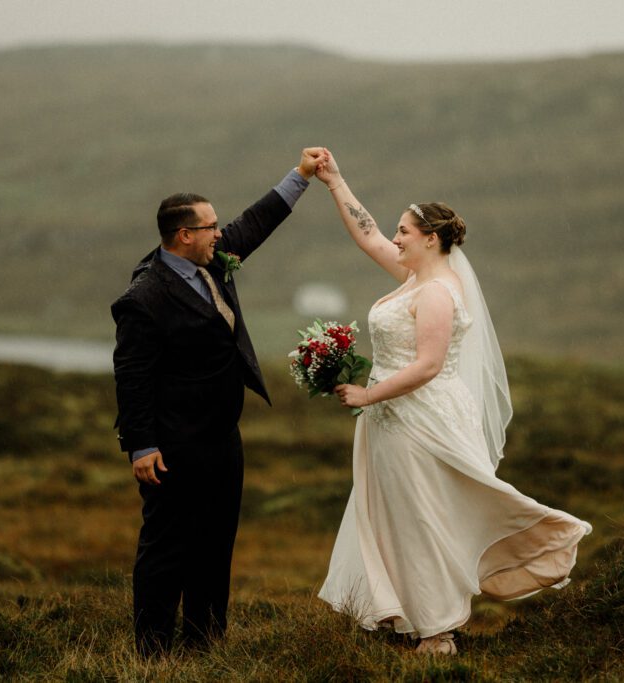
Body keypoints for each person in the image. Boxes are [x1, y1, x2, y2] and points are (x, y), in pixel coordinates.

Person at [313, 151, 593, 655]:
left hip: (419, 420)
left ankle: (438, 630)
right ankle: (401, 614)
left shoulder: (439, 292)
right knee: (394, 515)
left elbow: (427, 366)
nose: (395, 238)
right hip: (390, 422)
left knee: (424, 518)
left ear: (431, 239)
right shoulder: (415, 278)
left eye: (404, 231)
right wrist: (334, 182)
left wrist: (368, 393)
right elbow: (367, 233)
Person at [111, 147, 326, 657]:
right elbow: (132, 377)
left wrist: (300, 176)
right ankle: (154, 652)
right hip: (172, 446)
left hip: (221, 439)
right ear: (184, 235)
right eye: (209, 227)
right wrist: (141, 446)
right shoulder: (145, 299)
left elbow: (253, 224)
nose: (219, 233)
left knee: (214, 543)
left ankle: (204, 644)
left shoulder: (211, 261)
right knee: (166, 548)